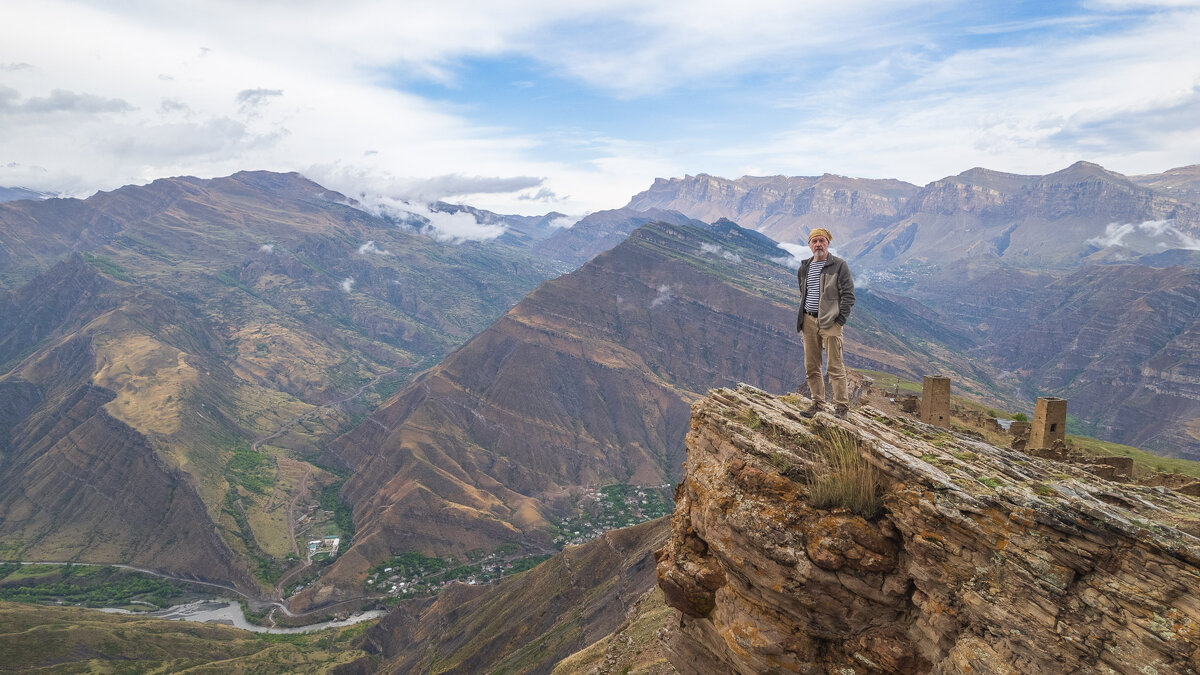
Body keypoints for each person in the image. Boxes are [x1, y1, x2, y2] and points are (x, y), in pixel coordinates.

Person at [796, 228, 855, 418]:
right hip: (808, 321)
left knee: (835, 367)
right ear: (810, 245)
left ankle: (841, 408)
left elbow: (848, 296)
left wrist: (839, 320)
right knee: (812, 366)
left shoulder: (839, 266)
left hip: (830, 323)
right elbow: (803, 292)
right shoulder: (805, 266)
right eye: (814, 241)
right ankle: (817, 404)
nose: (818, 245)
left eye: (822, 241)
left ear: (828, 243)